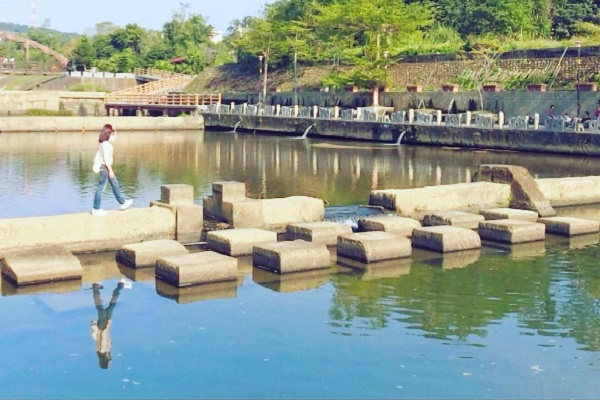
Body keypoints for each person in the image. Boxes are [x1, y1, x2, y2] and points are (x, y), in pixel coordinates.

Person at [92, 124, 133, 216]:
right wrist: (110, 171)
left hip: (105, 167)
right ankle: (96, 208)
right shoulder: (105, 145)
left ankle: (122, 203)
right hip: (105, 168)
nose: (112, 135)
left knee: (114, 184)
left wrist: (114, 130)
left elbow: (114, 137)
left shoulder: (103, 142)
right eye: (110, 133)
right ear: (107, 134)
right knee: (101, 188)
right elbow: (106, 159)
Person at [91, 278, 126, 369]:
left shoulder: (102, 350)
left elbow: (102, 336)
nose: (109, 359)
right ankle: (120, 286)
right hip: (104, 327)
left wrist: (107, 325)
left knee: (100, 308)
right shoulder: (105, 350)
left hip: (103, 327)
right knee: (111, 306)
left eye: (108, 361)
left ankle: (95, 287)